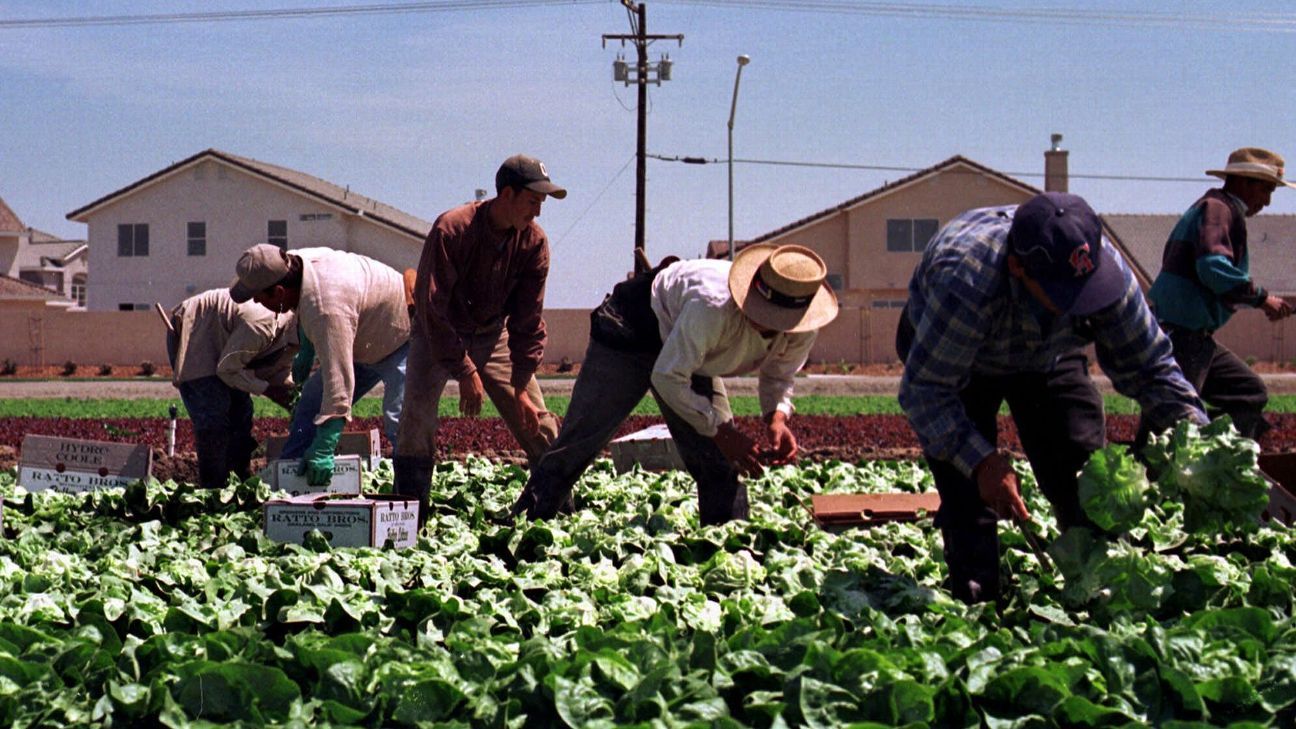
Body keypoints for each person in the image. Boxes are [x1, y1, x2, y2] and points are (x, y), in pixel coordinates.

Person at [896, 192, 1208, 604]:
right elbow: (927, 391)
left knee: (1080, 465)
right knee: (969, 489)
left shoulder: (1106, 269)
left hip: (1049, 354)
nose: (1082, 302)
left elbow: (1152, 368)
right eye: (1066, 293)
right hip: (955, 360)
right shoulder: (967, 279)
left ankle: (1095, 585)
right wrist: (983, 462)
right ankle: (976, 596)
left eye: (1088, 291)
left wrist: (1202, 446)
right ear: (1017, 268)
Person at [512, 243, 839, 526]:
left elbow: (780, 374)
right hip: (631, 329)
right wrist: (723, 431)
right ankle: (524, 528)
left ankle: (727, 542)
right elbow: (667, 377)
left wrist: (776, 418)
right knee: (582, 439)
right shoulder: (712, 306)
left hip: (693, 351)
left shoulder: (802, 325)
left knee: (719, 457)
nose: (768, 326)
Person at [393, 155, 566, 516]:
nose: (538, 212)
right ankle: (411, 512)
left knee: (536, 417)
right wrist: (465, 370)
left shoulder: (533, 242)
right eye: (533, 201)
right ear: (507, 194)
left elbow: (528, 318)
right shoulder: (452, 230)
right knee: (416, 416)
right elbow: (432, 309)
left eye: (541, 204)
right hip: (437, 332)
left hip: (492, 334)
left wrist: (520, 385)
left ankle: (552, 504)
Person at [1144, 147, 1295, 441]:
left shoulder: (1215, 207)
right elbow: (1212, 268)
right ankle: (1173, 466)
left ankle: (1208, 447)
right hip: (1181, 334)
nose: (1266, 201)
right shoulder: (1219, 209)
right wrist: (1262, 298)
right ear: (1243, 182)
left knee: (1248, 393)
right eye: (1265, 190)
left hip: (1195, 336)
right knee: (1172, 421)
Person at [230, 244, 410, 485]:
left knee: (401, 423)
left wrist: (325, 445)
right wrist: (306, 347)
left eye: (259, 298)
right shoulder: (294, 263)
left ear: (279, 292)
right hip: (363, 336)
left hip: (402, 337)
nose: (255, 302)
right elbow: (306, 301)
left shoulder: (327, 309)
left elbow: (338, 387)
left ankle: (412, 501)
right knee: (310, 404)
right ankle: (288, 480)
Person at [166, 288, 298, 489]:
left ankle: (239, 482)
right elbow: (227, 370)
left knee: (241, 413)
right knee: (214, 415)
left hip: (227, 342)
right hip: (197, 329)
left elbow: (278, 371)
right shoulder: (262, 326)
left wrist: (296, 400)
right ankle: (213, 489)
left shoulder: (293, 337)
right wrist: (267, 390)